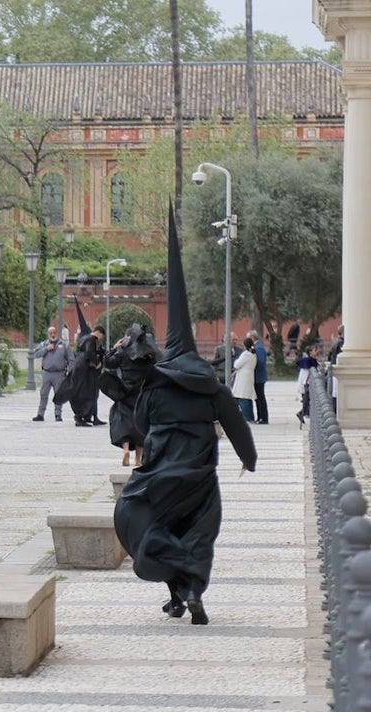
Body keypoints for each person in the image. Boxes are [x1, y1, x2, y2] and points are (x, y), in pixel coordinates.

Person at [114, 205, 256, 627]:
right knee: (198, 534)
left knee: (151, 526)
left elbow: (140, 424)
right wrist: (249, 459)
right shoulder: (211, 385)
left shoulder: (155, 385)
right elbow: (235, 424)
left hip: (160, 476)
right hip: (199, 476)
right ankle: (189, 591)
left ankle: (177, 592)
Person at [99, 323, 158, 466]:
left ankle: (125, 449)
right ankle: (138, 458)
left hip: (124, 391)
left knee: (121, 419)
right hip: (141, 392)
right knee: (141, 423)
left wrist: (114, 348)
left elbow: (108, 363)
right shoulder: (147, 355)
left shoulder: (124, 351)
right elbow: (157, 366)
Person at [55, 299, 106, 426]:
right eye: (101, 337)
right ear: (99, 333)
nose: (100, 339)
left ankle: (91, 416)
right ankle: (82, 416)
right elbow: (89, 353)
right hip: (84, 370)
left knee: (84, 392)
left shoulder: (83, 338)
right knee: (85, 393)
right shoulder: (92, 339)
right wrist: (97, 363)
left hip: (80, 368)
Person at [32, 325, 70, 422]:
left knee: (58, 395)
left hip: (59, 373)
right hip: (47, 373)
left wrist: (70, 371)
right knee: (43, 394)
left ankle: (58, 414)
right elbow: (35, 354)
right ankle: (40, 414)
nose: (53, 335)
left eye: (54, 333)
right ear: (48, 334)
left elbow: (71, 359)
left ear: (56, 333)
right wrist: (46, 349)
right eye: (50, 333)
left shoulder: (64, 345)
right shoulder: (44, 344)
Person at [231, 336, 257, 421]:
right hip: (249, 377)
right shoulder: (253, 354)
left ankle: (246, 417)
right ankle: (251, 417)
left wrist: (235, 361)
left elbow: (236, 365)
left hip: (243, 378)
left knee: (242, 398)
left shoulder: (245, 354)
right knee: (248, 398)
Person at [296, 342, 321, 428]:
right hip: (307, 384)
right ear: (310, 352)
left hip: (309, 384)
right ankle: (302, 413)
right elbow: (305, 375)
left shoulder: (312, 361)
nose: (317, 351)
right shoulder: (308, 361)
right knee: (307, 401)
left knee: (307, 402)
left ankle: (302, 413)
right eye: (315, 350)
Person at [250, 330, 269, 424]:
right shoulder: (257, 347)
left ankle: (263, 417)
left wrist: (252, 366)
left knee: (260, 398)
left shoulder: (259, 348)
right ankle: (260, 416)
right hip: (257, 377)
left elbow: (260, 362)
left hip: (259, 377)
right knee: (258, 398)